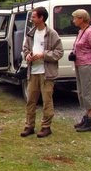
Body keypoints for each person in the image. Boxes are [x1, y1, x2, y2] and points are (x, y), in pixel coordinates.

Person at [20, 7, 64, 138]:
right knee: (30, 100)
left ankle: (46, 126)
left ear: (41, 18)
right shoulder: (30, 34)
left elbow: (59, 52)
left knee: (47, 100)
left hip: (47, 73)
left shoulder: (52, 34)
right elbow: (25, 49)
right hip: (33, 72)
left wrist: (43, 55)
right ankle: (29, 125)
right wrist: (27, 56)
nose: (31, 19)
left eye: (33, 17)